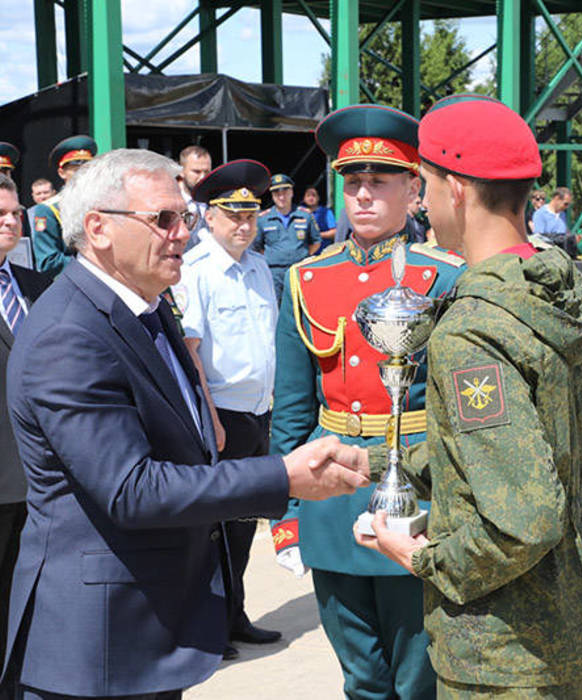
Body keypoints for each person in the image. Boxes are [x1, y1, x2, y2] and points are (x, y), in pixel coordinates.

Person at [2, 148, 369, 700]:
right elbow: (131, 489)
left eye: (187, 218)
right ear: (98, 229)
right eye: (164, 219)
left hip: (144, 630)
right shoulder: (70, 334)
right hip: (97, 646)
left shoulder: (144, 304)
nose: (182, 234)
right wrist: (282, 478)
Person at [354, 97, 582, 697]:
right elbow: (528, 451)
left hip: (504, 647)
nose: (420, 202)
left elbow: (523, 518)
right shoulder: (554, 287)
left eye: (423, 184)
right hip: (574, 613)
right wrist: (375, 464)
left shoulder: (474, 326)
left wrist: (420, 557)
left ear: (456, 191)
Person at [269, 103, 465, 700]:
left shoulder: (446, 277)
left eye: (379, 182)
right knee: (360, 676)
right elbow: (292, 406)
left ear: (413, 189)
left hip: (418, 486)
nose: (362, 196)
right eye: (352, 182)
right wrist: (286, 514)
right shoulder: (306, 278)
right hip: (331, 491)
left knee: (417, 674)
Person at [174, 159, 281, 660]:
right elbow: (192, 351)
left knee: (244, 526)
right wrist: (210, 417)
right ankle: (210, 624)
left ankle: (235, 614)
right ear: (209, 217)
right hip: (225, 417)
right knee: (216, 528)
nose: (243, 224)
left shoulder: (259, 267)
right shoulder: (196, 271)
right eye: (232, 215)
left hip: (259, 412)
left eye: (250, 215)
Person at [0, 175, 50, 700]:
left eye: (15, 213)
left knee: (29, 605)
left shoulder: (36, 287)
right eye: (0, 214)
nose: (11, 222)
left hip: (39, 481)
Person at [32, 134, 97, 277]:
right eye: (76, 170)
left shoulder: (102, 203)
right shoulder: (49, 210)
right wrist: (94, 264)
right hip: (72, 285)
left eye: (87, 169)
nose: (84, 175)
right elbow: (47, 262)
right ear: (62, 173)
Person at [252, 174, 320, 301]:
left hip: (299, 271)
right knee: (275, 310)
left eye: (285, 192)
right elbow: (257, 247)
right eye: (277, 193)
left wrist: (300, 254)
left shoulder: (305, 216)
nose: (281, 196)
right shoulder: (263, 219)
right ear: (272, 195)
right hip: (274, 274)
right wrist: (275, 256)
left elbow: (315, 242)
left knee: (300, 308)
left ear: (291, 192)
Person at [177, 145, 213, 251]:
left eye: (207, 172)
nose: (202, 177)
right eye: (196, 172)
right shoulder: (171, 203)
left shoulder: (216, 204)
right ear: (181, 171)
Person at [531, 187, 579, 258]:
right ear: (557, 198)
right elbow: (538, 239)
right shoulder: (540, 214)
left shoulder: (562, 215)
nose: (567, 207)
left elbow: (564, 233)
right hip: (549, 257)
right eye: (565, 204)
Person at [301, 186, 336, 252]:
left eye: (314, 195)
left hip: (323, 252)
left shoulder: (326, 212)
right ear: (304, 198)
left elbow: (334, 232)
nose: (311, 198)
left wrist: (317, 235)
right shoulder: (299, 212)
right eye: (308, 196)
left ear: (318, 198)